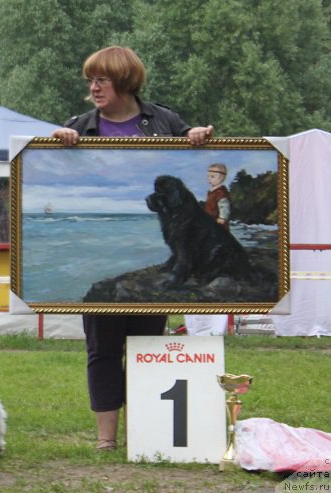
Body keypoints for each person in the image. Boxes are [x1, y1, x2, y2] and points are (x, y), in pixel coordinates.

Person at [51, 45, 214, 451]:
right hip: (97, 257)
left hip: (155, 255)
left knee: (149, 347)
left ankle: (151, 433)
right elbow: (51, 168)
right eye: (90, 80)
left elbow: (193, 166)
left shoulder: (165, 121)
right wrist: (56, 141)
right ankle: (106, 440)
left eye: (100, 80)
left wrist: (195, 138)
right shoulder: (79, 125)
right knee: (102, 350)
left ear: (124, 80)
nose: (92, 88)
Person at [204, 163, 231, 231]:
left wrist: (222, 217)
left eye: (212, 177)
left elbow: (224, 205)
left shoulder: (220, 192)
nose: (209, 179)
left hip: (218, 224)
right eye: (208, 176)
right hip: (210, 222)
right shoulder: (211, 191)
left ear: (221, 178)